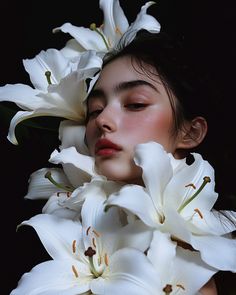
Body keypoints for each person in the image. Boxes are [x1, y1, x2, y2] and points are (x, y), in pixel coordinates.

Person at [84, 30, 230, 294]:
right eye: (95, 109)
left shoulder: (202, 268)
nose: (102, 120)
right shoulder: (81, 226)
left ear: (190, 132)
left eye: (136, 104)